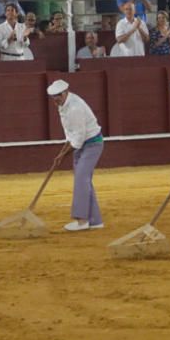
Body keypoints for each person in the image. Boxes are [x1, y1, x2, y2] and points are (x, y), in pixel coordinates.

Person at [47, 79, 104, 232]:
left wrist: (63, 155)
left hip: (92, 144)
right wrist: (60, 154)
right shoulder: (63, 106)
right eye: (53, 96)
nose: (55, 99)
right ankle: (95, 221)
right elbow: (70, 135)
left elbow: (78, 139)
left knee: (81, 179)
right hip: (83, 144)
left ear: (65, 92)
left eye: (58, 95)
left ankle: (82, 221)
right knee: (85, 181)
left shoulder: (75, 108)